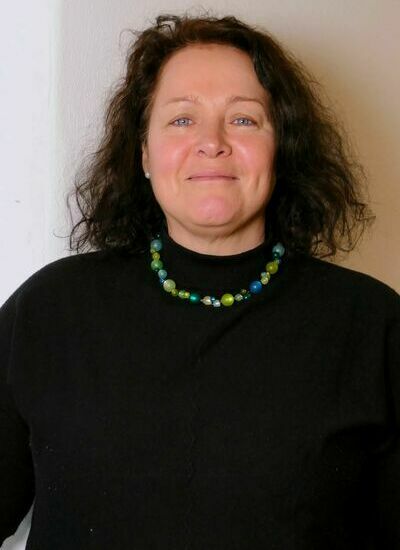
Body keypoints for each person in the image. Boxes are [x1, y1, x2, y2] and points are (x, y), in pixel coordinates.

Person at [1, 12, 399, 550]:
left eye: (244, 119)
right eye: (182, 119)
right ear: (144, 153)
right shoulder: (50, 310)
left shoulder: (372, 324)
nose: (212, 143)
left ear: (282, 148)